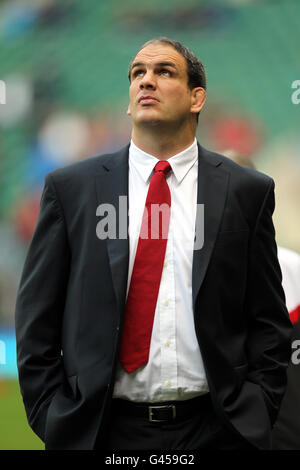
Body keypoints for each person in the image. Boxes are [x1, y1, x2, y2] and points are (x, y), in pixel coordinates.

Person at [15, 37, 292, 451]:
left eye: (164, 72)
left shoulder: (245, 191)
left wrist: (257, 408)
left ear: (197, 97)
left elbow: (268, 320)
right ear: (129, 102)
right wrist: (54, 416)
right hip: (103, 432)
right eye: (137, 73)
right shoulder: (70, 190)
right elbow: (37, 317)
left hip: (216, 431)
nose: (147, 81)